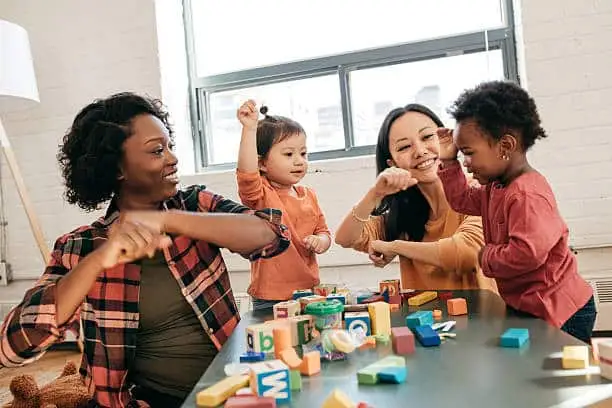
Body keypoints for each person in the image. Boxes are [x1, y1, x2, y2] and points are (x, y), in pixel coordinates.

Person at [0, 92, 290, 408]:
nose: (173, 158)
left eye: (169, 146)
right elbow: (11, 347)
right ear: (117, 169)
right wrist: (96, 262)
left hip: (235, 387)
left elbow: (271, 234)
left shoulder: (194, 207)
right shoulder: (79, 247)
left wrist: (167, 219)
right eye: (156, 151)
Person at [437, 80, 595, 342]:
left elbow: (526, 254)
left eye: (468, 153)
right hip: (530, 304)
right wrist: (447, 160)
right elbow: (462, 200)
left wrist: (485, 255)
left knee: (562, 375)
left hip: (560, 309)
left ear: (505, 147)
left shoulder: (526, 195)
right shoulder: (495, 187)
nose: (466, 163)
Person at [335, 103, 496, 292]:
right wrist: (374, 194)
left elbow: (468, 253)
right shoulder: (404, 213)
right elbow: (345, 238)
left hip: (484, 319)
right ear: (392, 163)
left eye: (427, 136)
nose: (420, 151)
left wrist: (396, 247)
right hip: (426, 321)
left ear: (447, 138)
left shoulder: (478, 191)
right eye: (404, 147)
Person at [236, 100, 331, 310]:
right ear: (262, 163)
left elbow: (324, 232)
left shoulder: (309, 195)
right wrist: (249, 129)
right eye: (289, 154)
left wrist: (320, 241)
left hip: (309, 292)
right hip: (271, 297)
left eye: (303, 153)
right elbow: (247, 173)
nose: (299, 161)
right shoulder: (261, 195)